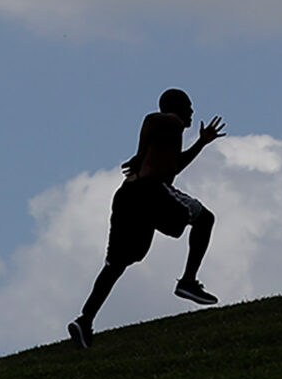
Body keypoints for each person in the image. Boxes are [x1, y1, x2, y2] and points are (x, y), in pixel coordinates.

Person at [68, 88, 227, 349]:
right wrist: (159, 134)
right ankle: (188, 282)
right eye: (188, 107)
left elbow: (172, 164)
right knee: (205, 218)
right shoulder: (170, 122)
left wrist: (200, 143)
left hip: (128, 195)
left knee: (118, 263)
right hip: (149, 192)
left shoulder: (165, 132)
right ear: (177, 108)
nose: (192, 112)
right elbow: (162, 148)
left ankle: (84, 320)